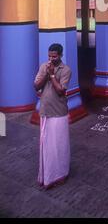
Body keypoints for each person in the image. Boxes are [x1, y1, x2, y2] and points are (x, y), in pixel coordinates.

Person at [34, 43, 71, 190]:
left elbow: (61, 91)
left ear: (60, 55)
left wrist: (52, 75)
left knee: (59, 145)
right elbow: (36, 86)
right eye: (49, 56)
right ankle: (48, 176)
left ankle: (61, 174)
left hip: (59, 113)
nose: (51, 59)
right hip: (45, 111)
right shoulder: (44, 66)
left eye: (54, 56)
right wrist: (46, 74)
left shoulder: (66, 70)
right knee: (47, 147)